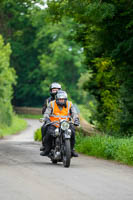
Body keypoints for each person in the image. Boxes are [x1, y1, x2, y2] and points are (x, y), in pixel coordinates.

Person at [40, 90, 80, 157]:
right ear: (57, 99)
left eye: (63, 99)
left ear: (65, 99)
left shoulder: (70, 104)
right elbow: (46, 113)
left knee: (72, 132)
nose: (61, 101)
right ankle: (47, 149)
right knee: (49, 133)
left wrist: (76, 119)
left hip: (66, 124)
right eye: (60, 99)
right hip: (54, 124)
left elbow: (74, 113)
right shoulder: (52, 104)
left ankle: (71, 149)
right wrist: (46, 119)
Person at [40, 82, 62, 151]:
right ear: (51, 91)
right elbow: (43, 111)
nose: (55, 91)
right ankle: (45, 145)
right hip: (51, 119)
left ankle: (70, 147)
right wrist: (46, 112)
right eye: (54, 90)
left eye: (57, 90)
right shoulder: (47, 100)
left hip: (62, 119)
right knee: (44, 127)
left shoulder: (63, 99)